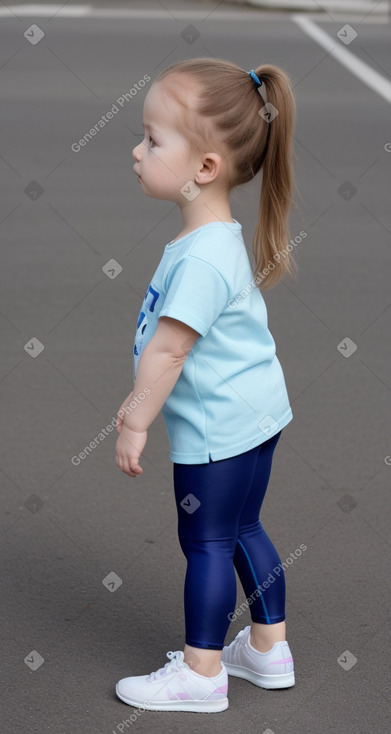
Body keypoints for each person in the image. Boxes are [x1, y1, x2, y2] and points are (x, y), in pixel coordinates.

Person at [114, 57, 298, 713]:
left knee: (206, 542)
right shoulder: (217, 241)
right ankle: (267, 648)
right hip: (255, 417)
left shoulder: (198, 260)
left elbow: (168, 350)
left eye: (152, 140)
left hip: (217, 433)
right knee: (242, 526)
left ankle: (201, 671)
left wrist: (136, 418)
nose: (137, 151)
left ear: (204, 169)